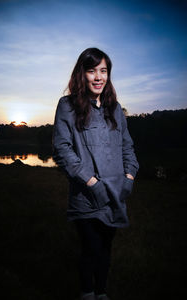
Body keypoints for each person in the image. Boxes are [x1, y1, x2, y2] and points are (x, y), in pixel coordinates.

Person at [52, 48, 139, 300]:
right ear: (82, 74)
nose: (98, 77)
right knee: (91, 248)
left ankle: (102, 293)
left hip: (116, 194)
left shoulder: (115, 109)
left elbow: (128, 147)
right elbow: (62, 149)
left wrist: (129, 178)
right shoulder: (67, 105)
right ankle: (87, 294)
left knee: (106, 249)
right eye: (92, 71)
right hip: (87, 196)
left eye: (103, 71)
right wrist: (91, 183)